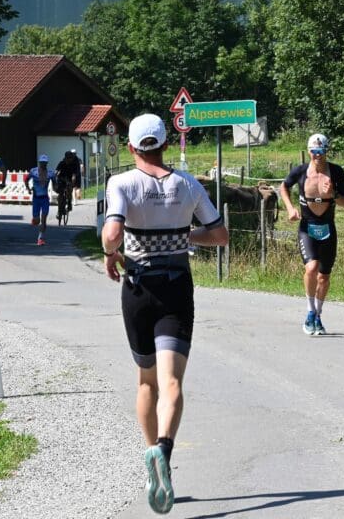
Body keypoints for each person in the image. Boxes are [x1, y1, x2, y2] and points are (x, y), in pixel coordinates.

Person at [101, 113, 228, 515]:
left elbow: (112, 234)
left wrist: (110, 253)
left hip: (138, 289)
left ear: (133, 148)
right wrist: (183, 234)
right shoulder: (187, 185)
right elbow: (220, 234)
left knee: (146, 383)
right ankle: (164, 453)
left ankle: (149, 454)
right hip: (176, 287)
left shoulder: (122, 183)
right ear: (166, 145)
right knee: (172, 383)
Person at [279, 133, 344, 335]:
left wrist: (334, 194)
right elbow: (283, 186)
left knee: (324, 277)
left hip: (328, 227)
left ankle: (318, 315)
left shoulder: (336, 172)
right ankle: (310, 312)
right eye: (313, 151)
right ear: (309, 151)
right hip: (307, 226)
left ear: (326, 151)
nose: (317, 155)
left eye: (321, 151)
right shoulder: (301, 171)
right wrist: (290, 208)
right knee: (311, 267)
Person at [25, 154, 56, 246]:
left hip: (45, 199)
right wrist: (28, 188)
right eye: (42, 163)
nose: (43, 164)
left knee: (44, 219)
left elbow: (55, 184)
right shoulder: (33, 171)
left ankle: (41, 238)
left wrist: (58, 189)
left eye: (45, 163)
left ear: (47, 163)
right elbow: (26, 179)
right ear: (39, 163)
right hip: (36, 199)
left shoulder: (50, 173)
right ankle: (34, 220)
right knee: (37, 220)